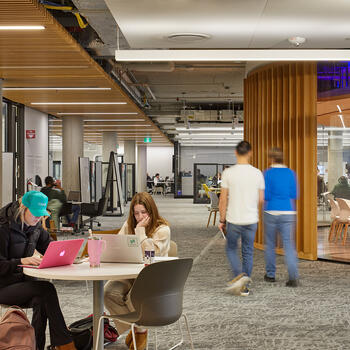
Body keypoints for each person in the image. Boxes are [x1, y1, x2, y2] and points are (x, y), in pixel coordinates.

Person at [0, 191, 76, 350]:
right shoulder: (3, 227)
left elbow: (49, 248)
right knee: (46, 289)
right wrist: (21, 261)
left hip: (22, 282)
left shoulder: (35, 227)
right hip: (3, 285)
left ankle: (37, 346)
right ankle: (65, 344)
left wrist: (65, 255)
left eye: (40, 214)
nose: (37, 218)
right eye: (34, 214)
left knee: (42, 300)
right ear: (23, 208)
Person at [104, 192, 170, 350]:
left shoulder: (163, 229)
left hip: (151, 277)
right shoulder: (128, 225)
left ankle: (140, 333)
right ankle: (137, 328)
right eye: (136, 213)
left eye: (143, 212)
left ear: (151, 212)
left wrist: (140, 232)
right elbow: (118, 244)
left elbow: (151, 255)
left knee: (135, 297)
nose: (139, 217)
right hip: (129, 273)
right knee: (108, 293)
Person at [218, 141, 265, 296]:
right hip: (251, 219)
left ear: (236, 152)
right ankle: (244, 286)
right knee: (248, 252)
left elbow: (223, 199)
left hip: (234, 219)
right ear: (250, 153)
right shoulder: (257, 173)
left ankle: (239, 275)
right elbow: (261, 199)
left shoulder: (228, 173)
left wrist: (222, 220)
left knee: (231, 248)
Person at [263, 148, 299, 287]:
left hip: (271, 211)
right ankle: (293, 277)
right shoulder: (291, 173)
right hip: (288, 212)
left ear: (271, 158)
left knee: (270, 244)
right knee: (289, 245)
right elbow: (295, 194)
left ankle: (271, 275)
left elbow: (265, 195)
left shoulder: (267, 173)